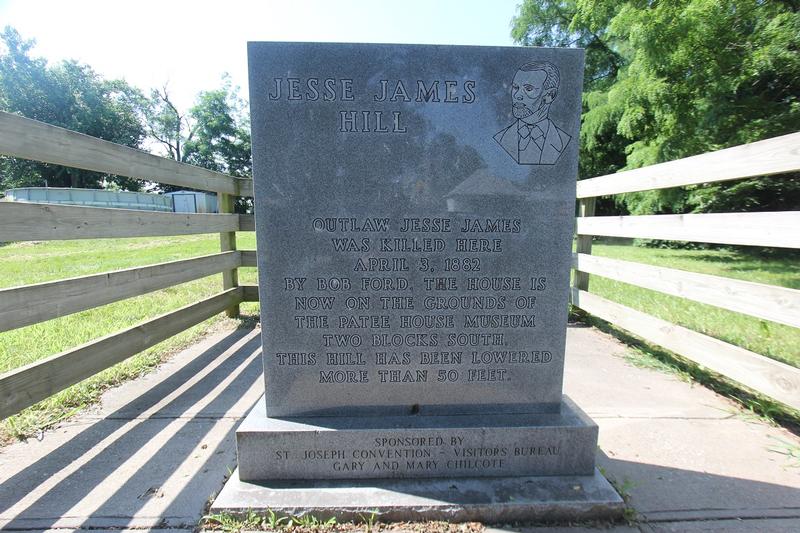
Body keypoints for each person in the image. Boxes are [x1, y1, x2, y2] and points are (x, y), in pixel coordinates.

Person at [494, 61, 571, 165]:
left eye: (528, 89)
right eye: (515, 87)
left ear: (550, 95)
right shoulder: (500, 139)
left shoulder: (563, 141)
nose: (517, 95)